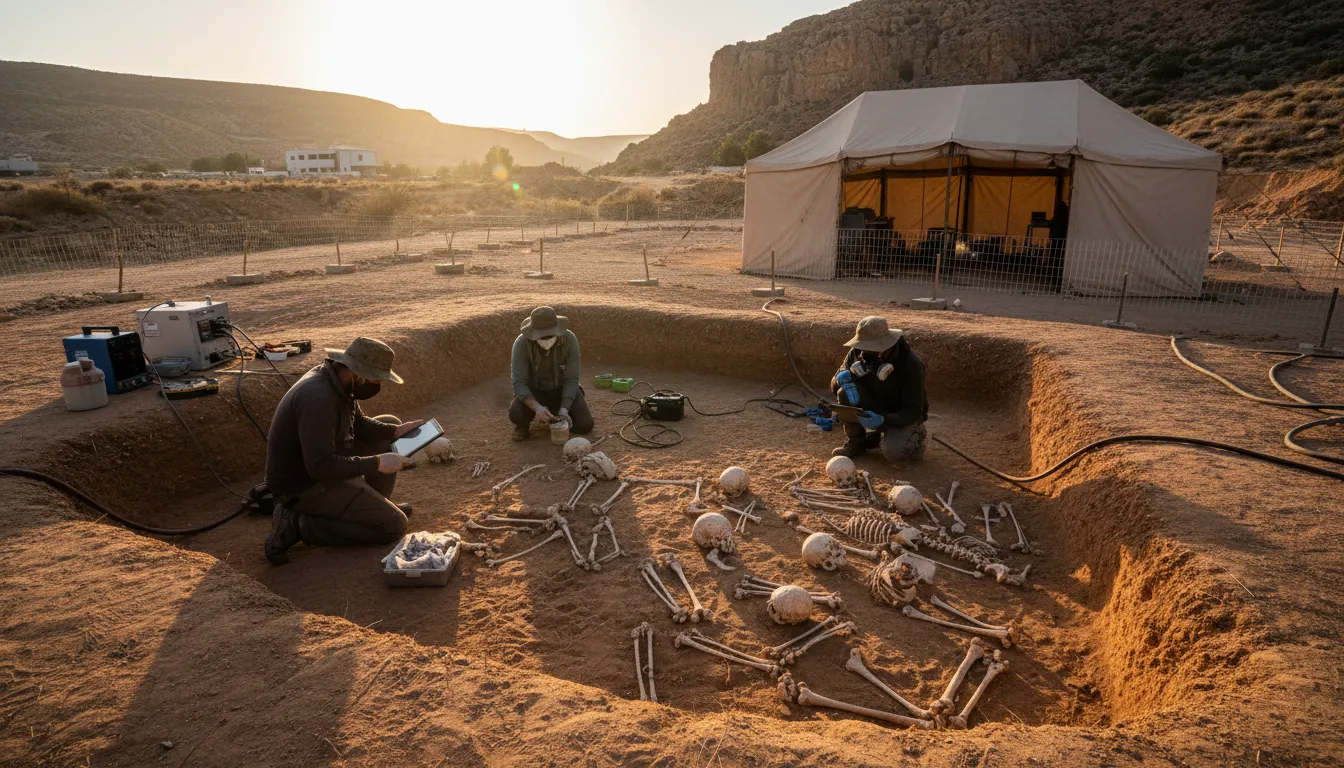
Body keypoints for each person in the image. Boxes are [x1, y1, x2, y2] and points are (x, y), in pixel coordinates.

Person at [263, 337, 424, 565]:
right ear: (358, 372)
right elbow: (320, 466)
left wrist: (396, 431)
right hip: (302, 485)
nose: (378, 385)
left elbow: (358, 424)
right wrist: (377, 463)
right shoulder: (318, 399)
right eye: (376, 378)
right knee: (393, 525)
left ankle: (375, 506)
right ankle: (300, 523)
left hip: (323, 466)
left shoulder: (339, 381)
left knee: (388, 426)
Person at [829, 316, 929, 462]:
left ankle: (917, 436)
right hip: (874, 405)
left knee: (894, 453)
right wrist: (844, 377)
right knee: (843, 393)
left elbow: (913, 411)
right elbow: (833, 386)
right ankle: (857, 442)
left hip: (900, 414)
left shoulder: (910, 363)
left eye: (872, 347)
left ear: (887, 345)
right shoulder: (857, 352)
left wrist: (883, 419)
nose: (866, 352)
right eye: (864, 346)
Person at [509, 306, 594, 441]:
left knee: (585, 425)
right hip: (535, 391)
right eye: (541, 337)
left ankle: (557, 412)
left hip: (561, 389)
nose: (546, 340)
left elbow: (572, 379)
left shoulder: (570, 340)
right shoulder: (521, 343)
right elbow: (519, 382)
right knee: (516, 414)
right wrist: (536, 408)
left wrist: (564, 409)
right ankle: (523, 425)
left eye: (550, 336)